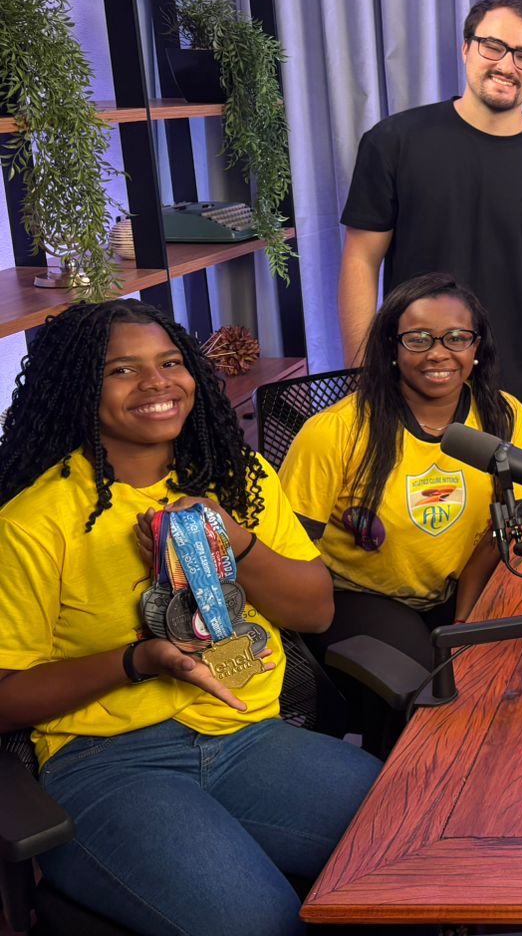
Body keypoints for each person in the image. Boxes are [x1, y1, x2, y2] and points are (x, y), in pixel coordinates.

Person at [0, 301, 380, 936]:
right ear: (79, 388)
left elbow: (315, 612)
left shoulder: (239, 479)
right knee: (262, 924)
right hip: (109, 764)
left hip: (248, 737)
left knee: (418, 846)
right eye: (122, 370)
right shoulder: (34, 522)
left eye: (170, 363)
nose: (157, 382)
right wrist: (138, 660)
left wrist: (237, 541)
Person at [338, 0, 522, 452]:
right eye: (493, 46)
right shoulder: (393, 142)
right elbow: (360, 260)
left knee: (518, 504)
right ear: (466, 48)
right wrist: (365, 378)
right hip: (407, 390)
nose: (507, 65)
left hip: (516, 399)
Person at [280, 272, 522, 689]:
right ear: (392, 348)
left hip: (451, 592)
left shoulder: (502, 415)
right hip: (354, 596)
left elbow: (497, 533)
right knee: (428, 686)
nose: (438, 353)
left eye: (456, 338)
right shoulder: (333, 431)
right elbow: (284, 555)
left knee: (512, 672)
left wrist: (464, 623)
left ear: (477, 348)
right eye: (418, 339)